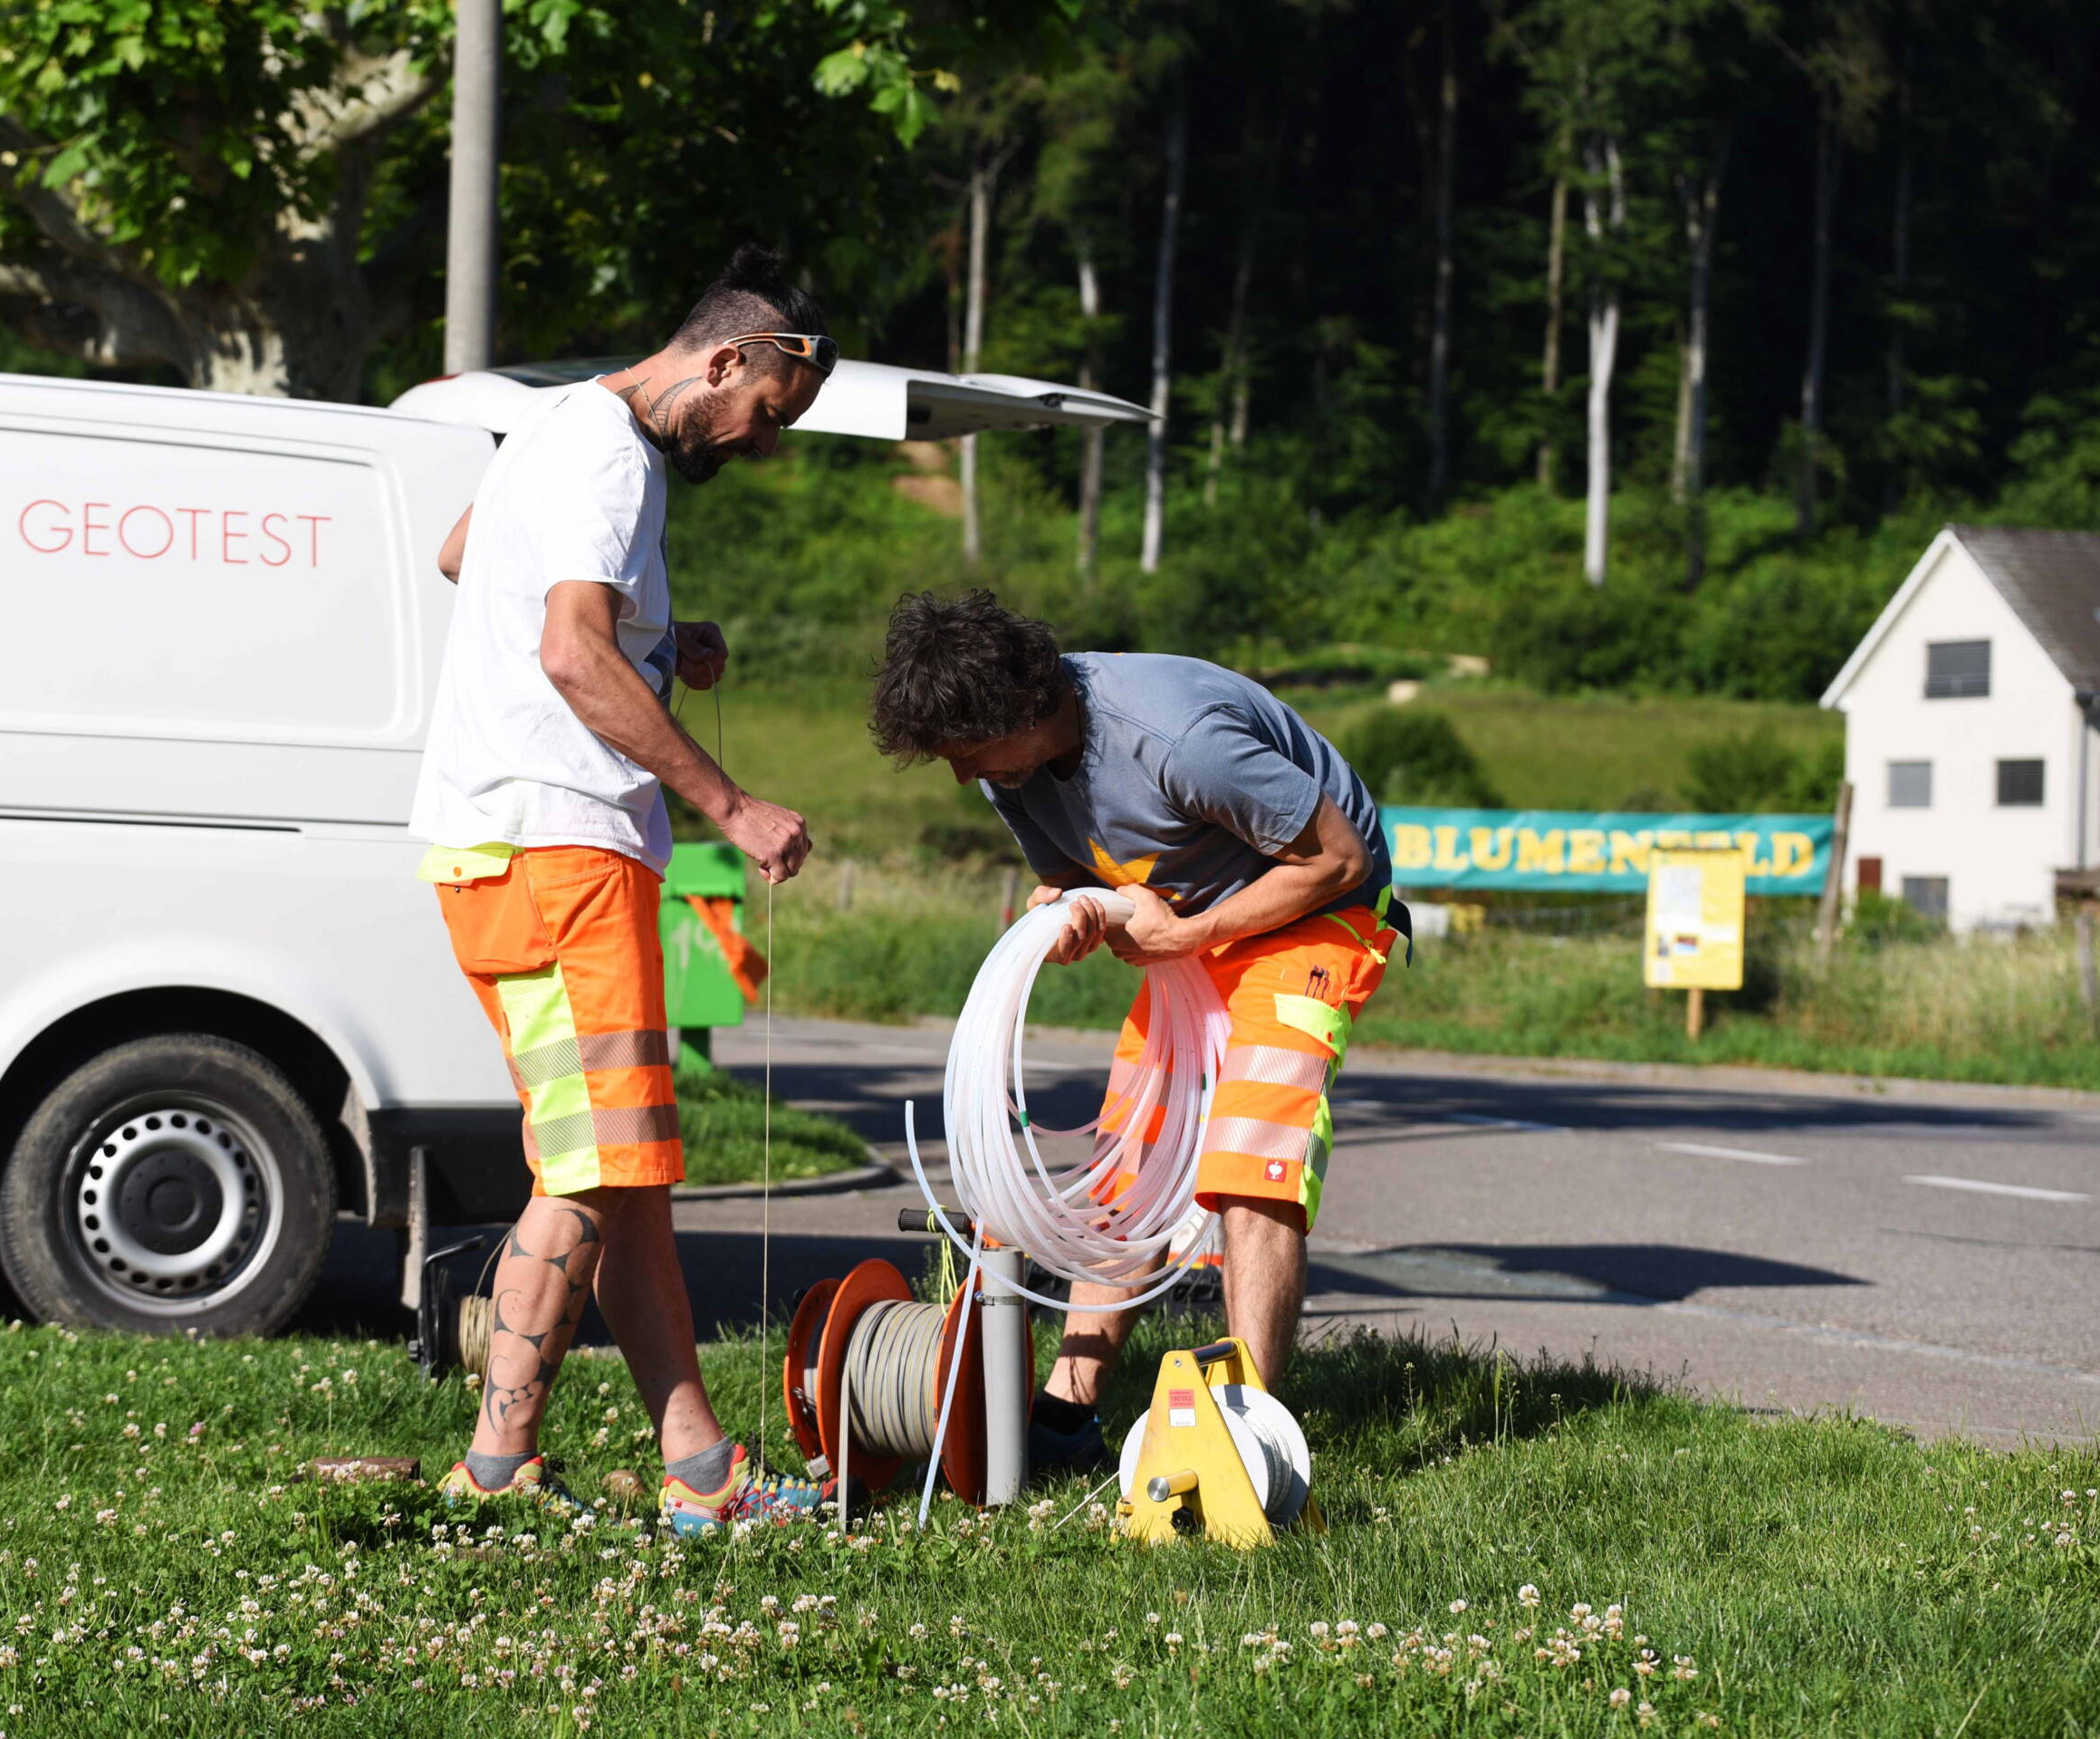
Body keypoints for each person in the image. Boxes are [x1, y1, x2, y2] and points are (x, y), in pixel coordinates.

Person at [411, 244, 838, 1533]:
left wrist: (658, 636)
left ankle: (696, 1471)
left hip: (491, 847)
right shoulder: (609, 456)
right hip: (564, 851)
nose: (761, 443)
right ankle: (499, 1467)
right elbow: (565, 650)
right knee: (597, 1168)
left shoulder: (552, 431)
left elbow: (460, 554)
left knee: (624, 1168)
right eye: (767, 414)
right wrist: (733, 804)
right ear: (724, 362)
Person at [868, 592, 1408, 1472]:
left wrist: (1188, 935)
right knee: (1133, 1165)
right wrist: (1076, 910)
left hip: (1317, 912)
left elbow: (1336, 859)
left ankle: (1247, 1433)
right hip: (1191, 930)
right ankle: (1066, 1415)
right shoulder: (1013, 771)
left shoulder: (1175, 738)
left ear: (1019, 711)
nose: (964, 778)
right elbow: (1083, 879)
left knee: (1250, 1160)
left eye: (968, 754)